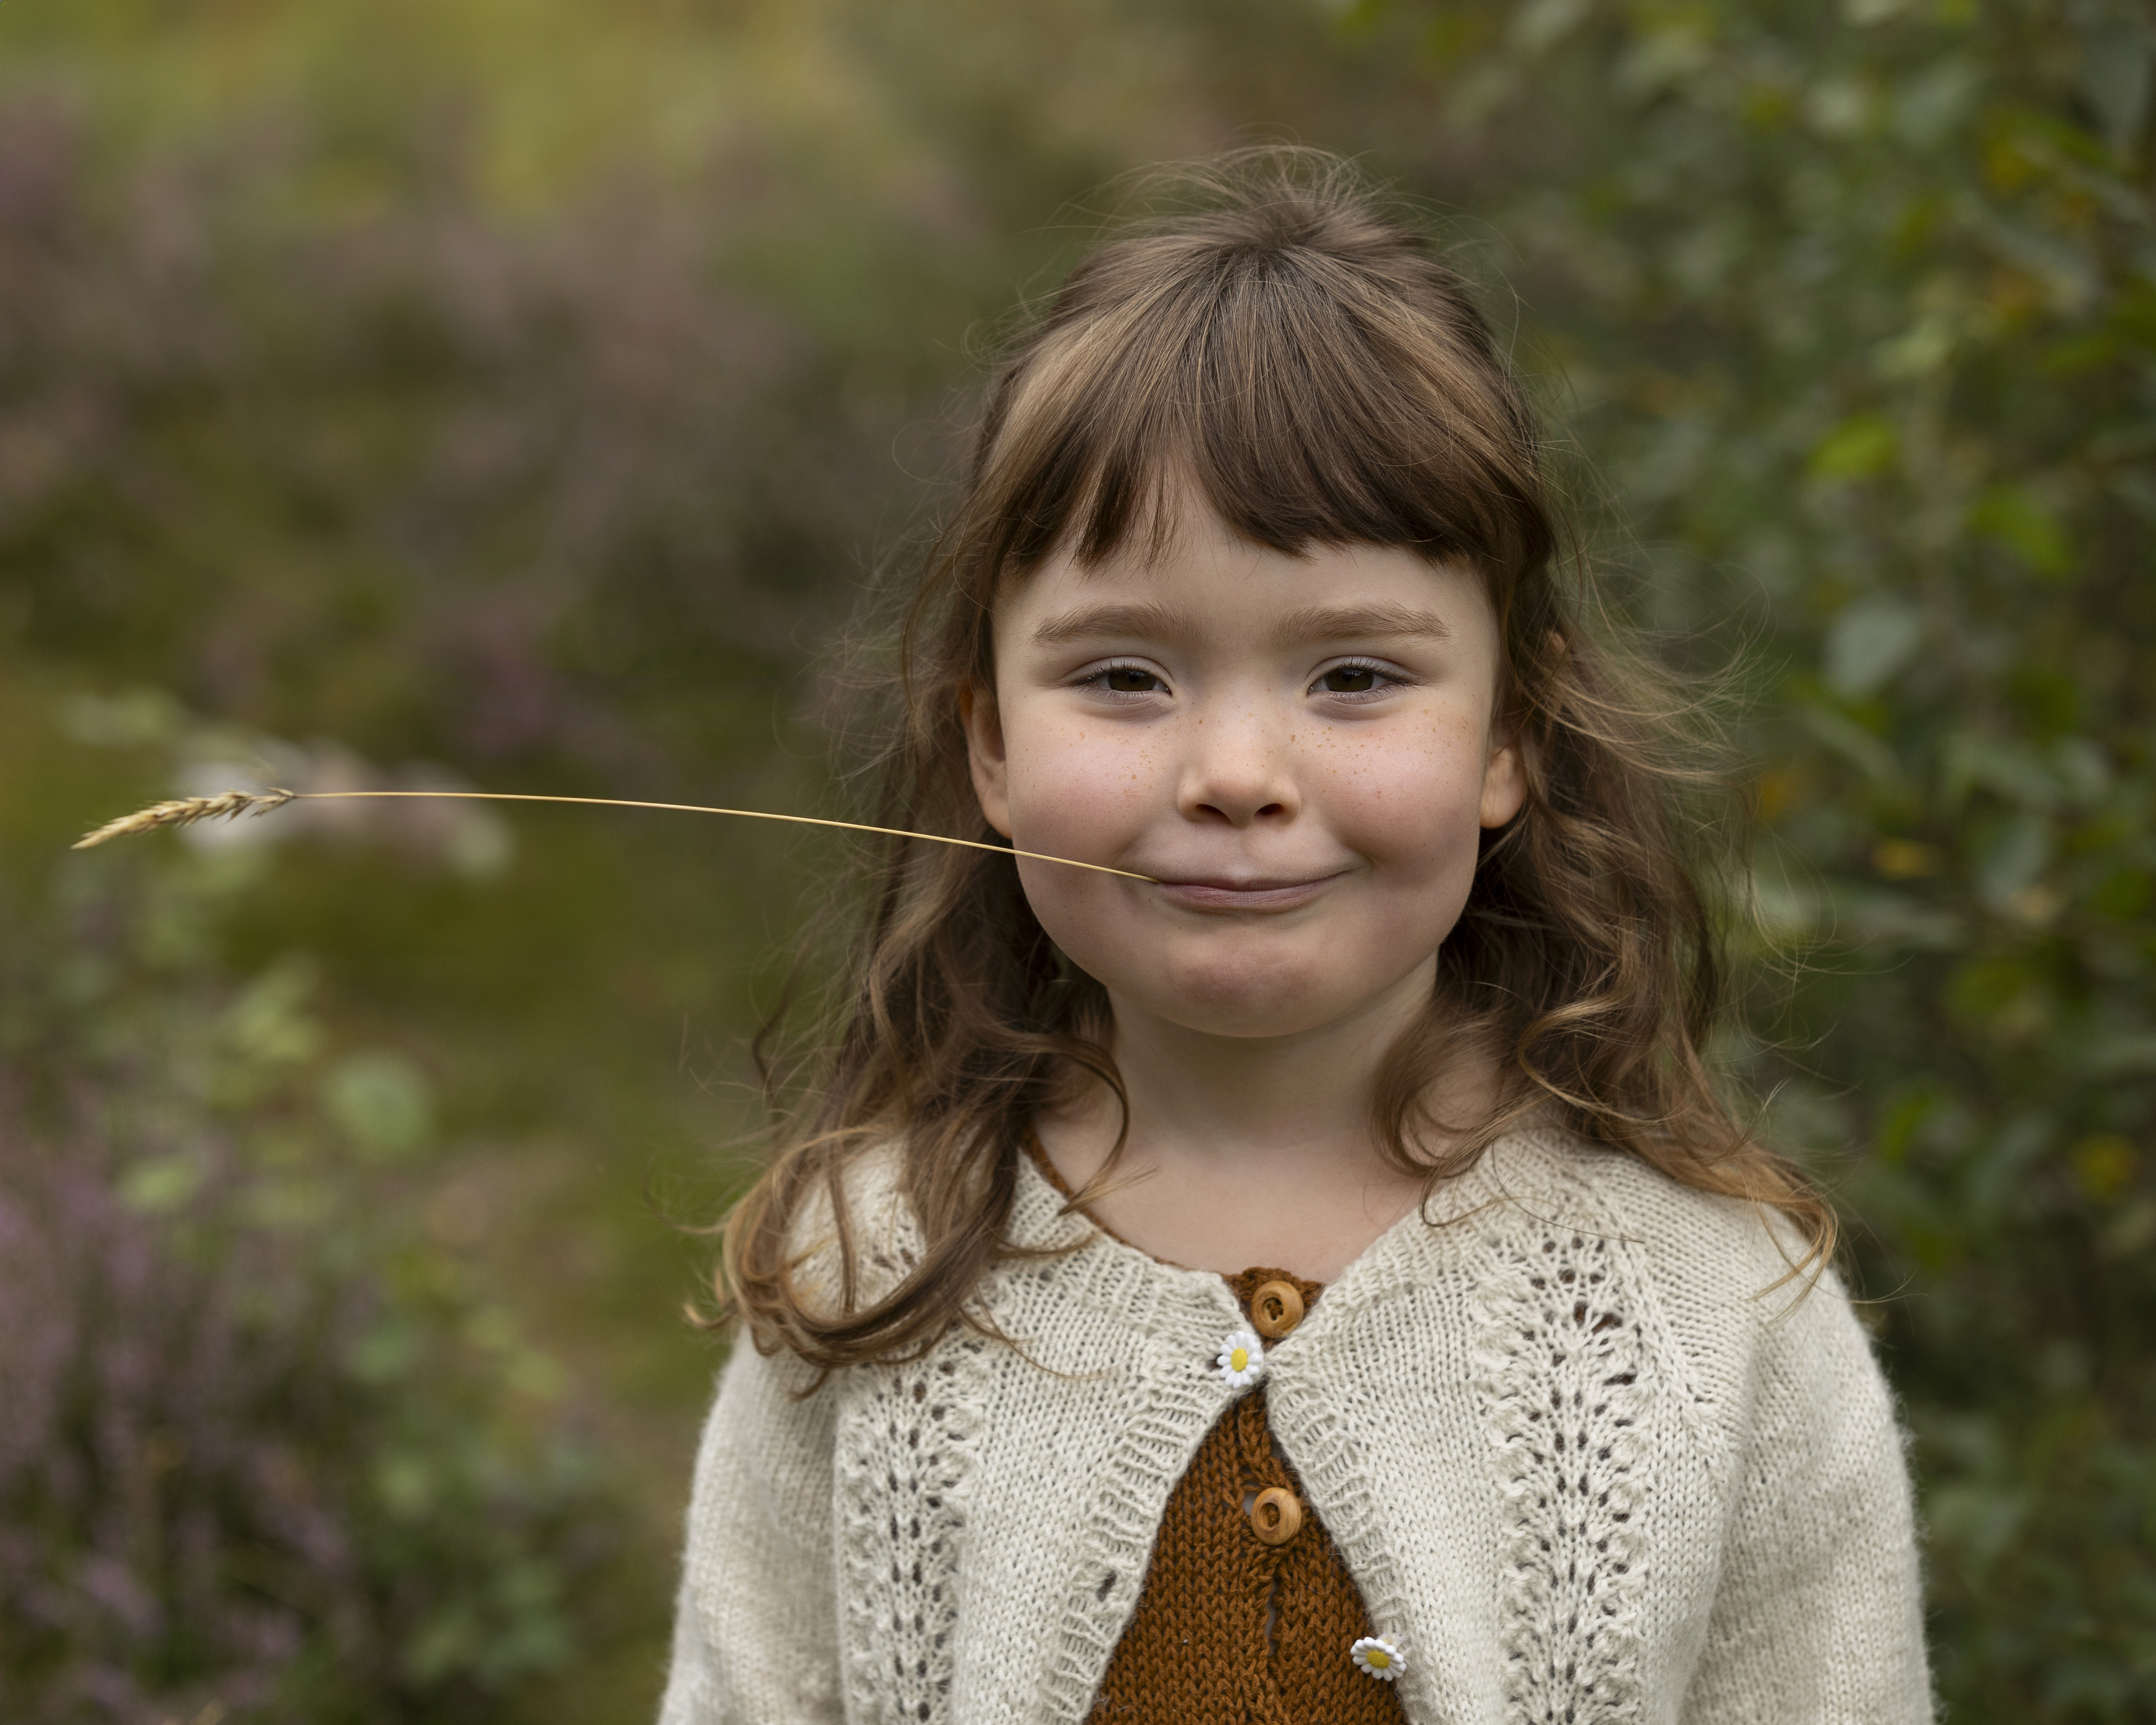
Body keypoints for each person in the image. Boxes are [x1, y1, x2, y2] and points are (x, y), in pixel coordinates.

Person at [659, 149, 1932, 1725]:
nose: (1238, 780)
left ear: (1507, 737)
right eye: (1124, 676)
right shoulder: (871, 1273)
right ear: (987, 742)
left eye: (1355, 678)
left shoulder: (1713, 1312)